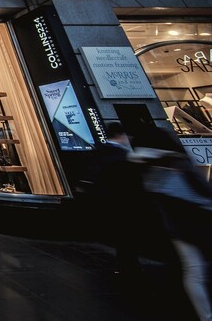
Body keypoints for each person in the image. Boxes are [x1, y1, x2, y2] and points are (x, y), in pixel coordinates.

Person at [131, 125, 212, 321]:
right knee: (195, 270)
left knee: (193, 269)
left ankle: (205, 314)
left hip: (176, 227)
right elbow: (199, 193)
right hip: (195, 222)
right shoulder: (175, 163)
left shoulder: (146, 166)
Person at [84, 121, 145, 275]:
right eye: (126, 135)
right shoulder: (122, 156)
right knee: (127, 236)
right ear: (121, 135)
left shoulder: (99, 151)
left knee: (122, 236)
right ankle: (130, 267)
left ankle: (127, 265)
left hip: (108, 201)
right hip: (123, 202)